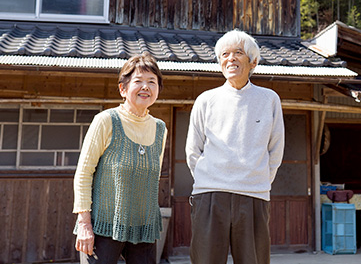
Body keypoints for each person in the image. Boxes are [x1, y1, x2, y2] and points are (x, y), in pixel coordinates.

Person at [185, 29, 285, 264]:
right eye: (225, 54)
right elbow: (193, 150)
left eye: (238, 53)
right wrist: (209, 179)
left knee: (254, 260)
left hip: (253, 195)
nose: (230, 59)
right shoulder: (206, 100)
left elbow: (276, 148)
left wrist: (257, 180)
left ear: (253, 62)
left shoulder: (269, 99)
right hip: (210, 195)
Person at [73, 52, 167, 264]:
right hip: (103, 227)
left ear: (158, 90)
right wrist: (84, 223)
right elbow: (83, 173)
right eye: (138, 81)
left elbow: (154, 177)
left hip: (144, 229)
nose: (146, 87)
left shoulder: (160, 128)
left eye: (152, 82)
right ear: (123, 89)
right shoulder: (106, 121)